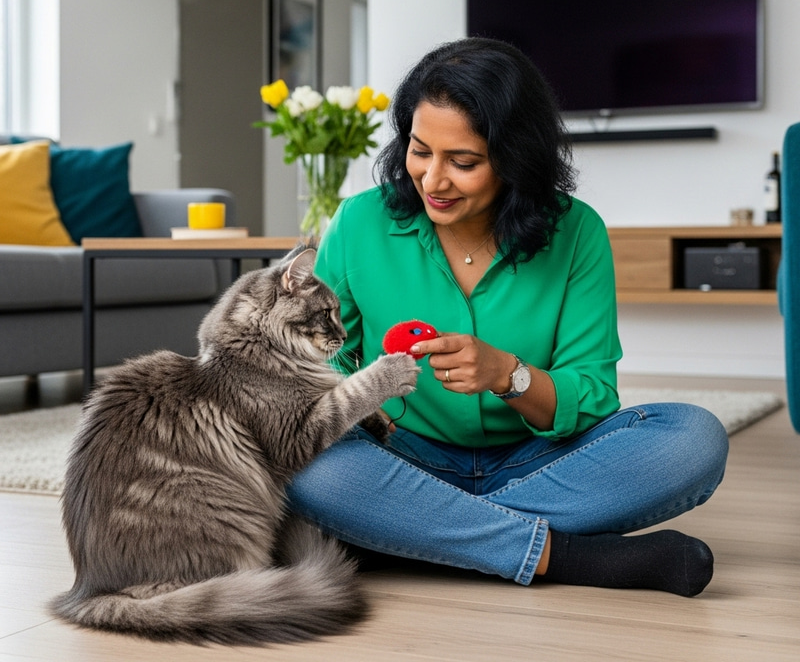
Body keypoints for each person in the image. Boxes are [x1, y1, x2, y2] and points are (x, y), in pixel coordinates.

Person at [287, 37, 729, 597]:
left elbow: (592, 396)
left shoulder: (577, 232)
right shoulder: (359, 222)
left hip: (539, 461)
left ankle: (407, 531)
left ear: (515, 157)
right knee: (304, 458)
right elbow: (315, 365)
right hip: (401, 453)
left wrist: (507, 375)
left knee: (694, 439)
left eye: (463, 162)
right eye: (420, 151)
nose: (432, 180)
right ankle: (562, 556)